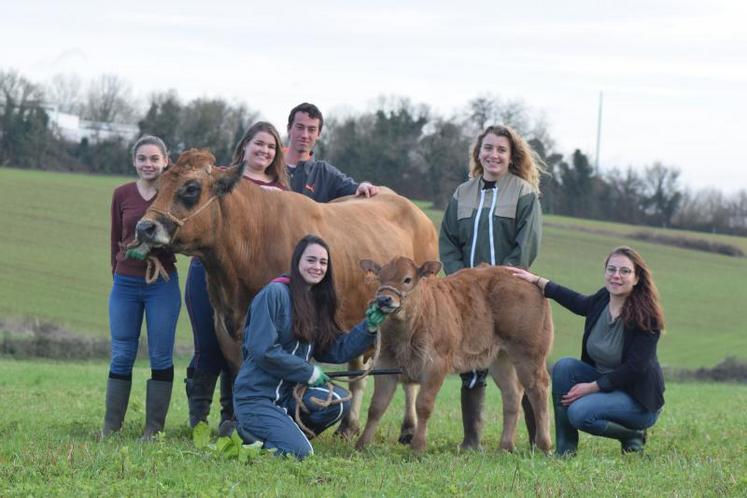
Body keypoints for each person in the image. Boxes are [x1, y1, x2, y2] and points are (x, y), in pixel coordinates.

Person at [232, 234, 389, 459]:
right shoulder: (274, 294)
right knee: (300, 453)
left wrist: (369, 327)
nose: (317, 267)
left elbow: (335, 349)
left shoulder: (316, 301)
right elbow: (262, 350)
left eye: (323, 262)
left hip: (288, 396)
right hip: (257, 397)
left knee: (338, 402)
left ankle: (284, 431)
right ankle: (243, 433)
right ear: (297, 262)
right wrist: (308, 371)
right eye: (311, 260)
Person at [438, 124, 545, 450]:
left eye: (501, 149)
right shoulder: (463, 193)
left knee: (524, 365)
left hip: (508, 295)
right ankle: (472, 439)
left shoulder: (524, 193)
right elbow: (448, 242)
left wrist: (497, 281)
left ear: (511, 156)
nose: (493, 154)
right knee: (469, 363)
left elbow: (525, 246)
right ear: (478, 153)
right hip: (466, 298)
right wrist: (461, 281)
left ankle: (534, 438)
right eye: (488, 148)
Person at [185, 122, 289, 436]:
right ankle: (197, 421)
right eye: (259, 144)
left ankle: (231, 418)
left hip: (256, 279)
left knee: (240, 346)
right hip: (209, 270)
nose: (264, 151)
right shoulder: (220, 179)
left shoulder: (282, 190)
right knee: (207, 344)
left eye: (271, 147)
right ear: (244, 146)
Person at [510, 246, 665, 456]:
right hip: (607, 385)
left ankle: (631, 434)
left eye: (625, 271)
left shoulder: (648, 318)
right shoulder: (603, 300)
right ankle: (565, 449)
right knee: (564, 367)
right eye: (611, 269)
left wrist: (593, 387)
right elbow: (576, 301)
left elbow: (635, 368)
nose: (616, 276)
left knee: (580, 413)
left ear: (637, 278)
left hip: (637, 399)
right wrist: (537, 280)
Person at [103, 135, 181, 440]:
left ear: (165, 161)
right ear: (134, 161)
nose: (148, 164)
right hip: (125, 283)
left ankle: (153, 429)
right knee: (122, 353)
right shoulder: (121, 194)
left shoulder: (171, 195)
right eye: (142, 159)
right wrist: (119, 270)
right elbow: (114, 239)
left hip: (161, 283)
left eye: (154, 159)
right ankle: (111, 426)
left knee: (160, 356)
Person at [285, 102, 379, 201]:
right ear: (289, 129)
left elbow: (355, 188)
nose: (305, 135)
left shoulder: (325, 173)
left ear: (318, 134)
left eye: (311, 129)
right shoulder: (271, 166)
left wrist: (364, 185)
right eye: (300, 127)